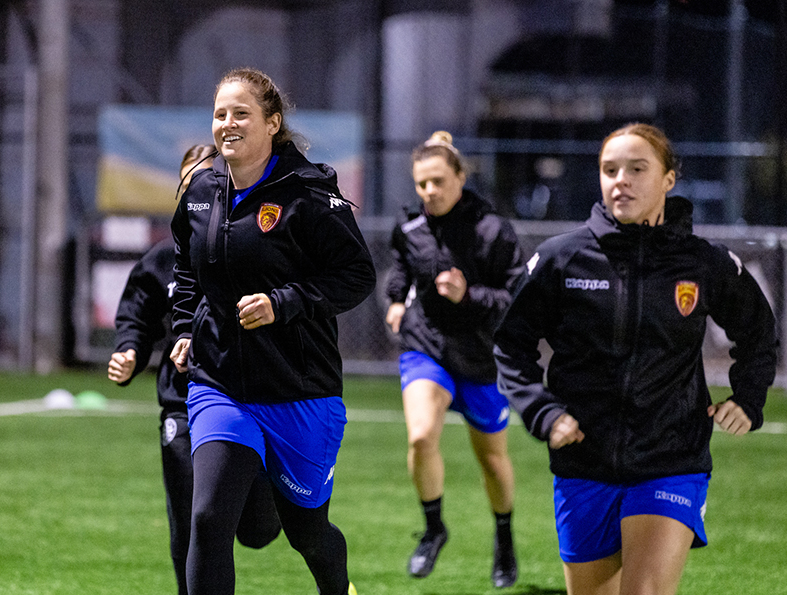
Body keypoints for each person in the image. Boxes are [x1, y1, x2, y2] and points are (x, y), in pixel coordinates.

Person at [493, 123, 779, 595]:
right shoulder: (562, 258)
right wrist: (543, 412)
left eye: (636, 168)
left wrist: (748, 397)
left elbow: (757, 331)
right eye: (610, 170)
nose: (619, 180)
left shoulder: (704, 262)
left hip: (672, 459)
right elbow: (511, 344)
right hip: (582, 463)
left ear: (668, 179)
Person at [169, 67, 376, 595]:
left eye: (242, 113)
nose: (227, 124)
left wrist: (283, 304)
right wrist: (184, 329)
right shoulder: (199, 194)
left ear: (273, 123)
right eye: (220, 114)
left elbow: (356, 277)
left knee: (308, 532)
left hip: (300, 390)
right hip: (221, 384)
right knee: (210, 518)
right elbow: (187, 270)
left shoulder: (308, 194)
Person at [108, 144, 281, 595]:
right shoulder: (163, 260)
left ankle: (265, 492)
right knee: (190, 516)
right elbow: (136, 315)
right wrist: (129, 351)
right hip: (182, 404)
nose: (196, 190)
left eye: (207, 180)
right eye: (188, 183)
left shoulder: (253, 249)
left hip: (245, 401)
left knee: (259, 531)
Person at [385, 131, 524, 588]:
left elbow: (515, 298)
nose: (429, 192)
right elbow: (402, 269)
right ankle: (433, 528)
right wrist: (396, 301)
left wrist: (470, 295)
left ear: (461, 177)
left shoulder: (493, 231)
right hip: (427, 347)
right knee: (422, 436)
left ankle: (503, 538)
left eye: (438, 181)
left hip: (481, 358)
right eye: (422, 184)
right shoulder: (410, 228)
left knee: (492, 460)